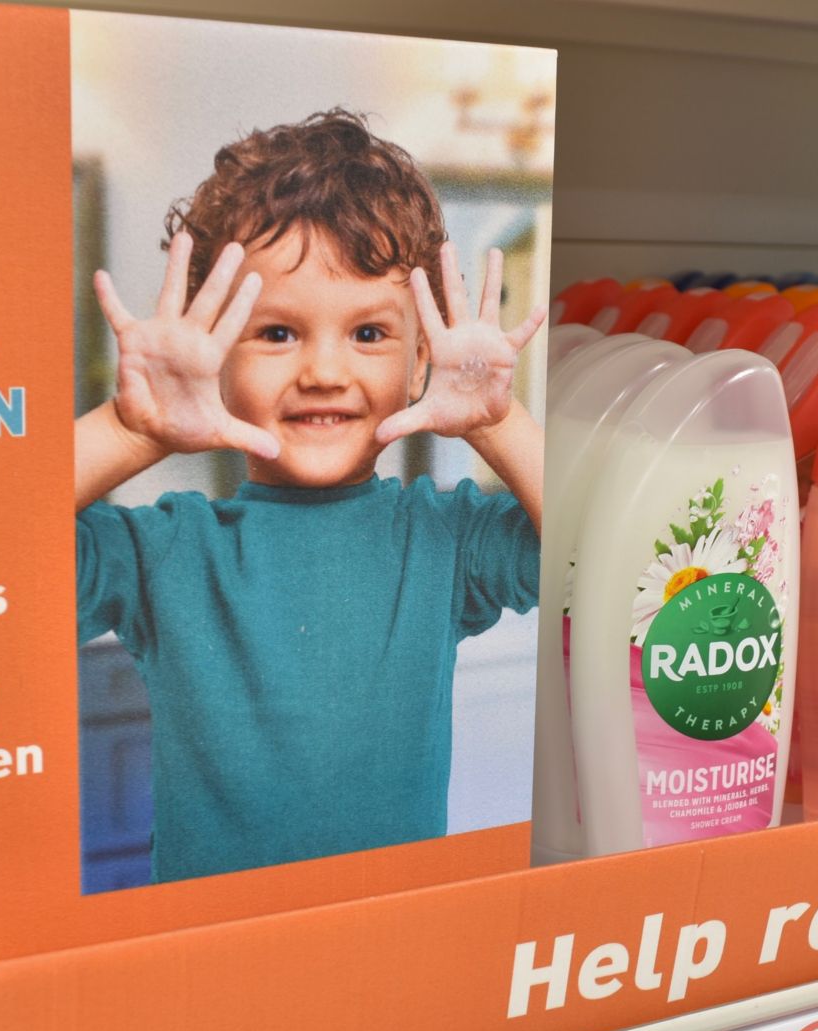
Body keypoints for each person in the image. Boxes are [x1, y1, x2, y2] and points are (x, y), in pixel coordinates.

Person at [74, 109, 546, 884]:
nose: (325, 371)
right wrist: (132, 429)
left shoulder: (443, 540)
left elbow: (601, 556)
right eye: (278, 334)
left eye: (368, 335)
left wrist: (499, 423)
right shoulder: (164, 551)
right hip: (214, 963)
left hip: (394, 951)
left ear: (420, 356)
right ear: (218, 353)